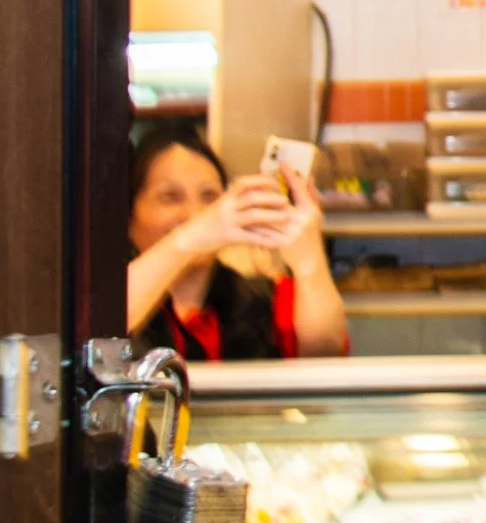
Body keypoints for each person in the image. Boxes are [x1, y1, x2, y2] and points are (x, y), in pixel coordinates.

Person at [126, 124, 348, 361]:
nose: (195, 214)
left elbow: (326, 355)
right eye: (170, 197)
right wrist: (187, 241)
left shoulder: (263, 298)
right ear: (129, 214)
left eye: (209, 196)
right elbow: (95, 335)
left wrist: (309, 261)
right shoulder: (110, 298)